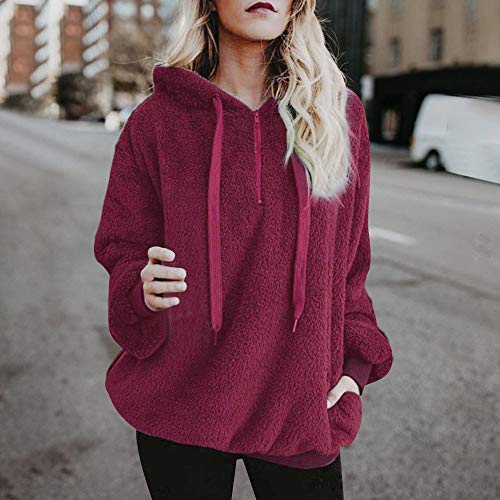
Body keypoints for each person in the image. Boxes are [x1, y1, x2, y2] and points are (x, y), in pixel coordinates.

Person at [93, 0, 394, 498]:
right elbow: (122, 249)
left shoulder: (338, 116)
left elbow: (351, 264)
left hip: (300, 409)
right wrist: (139, 285)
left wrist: (354, 369)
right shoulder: (156, 123)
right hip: (182, 408)